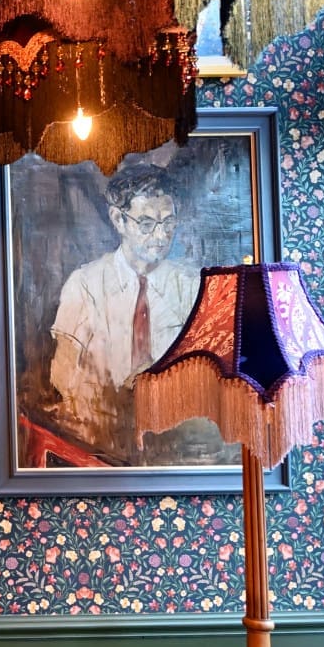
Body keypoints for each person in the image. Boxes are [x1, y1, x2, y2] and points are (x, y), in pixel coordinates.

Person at [45, 165, 199, 456]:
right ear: (118, 220)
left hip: (175, 438)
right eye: (146, 223)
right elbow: (63, 377)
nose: (161, 235)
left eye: (168, 222)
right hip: (101, 439)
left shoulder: (191, 287)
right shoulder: (85, 284)